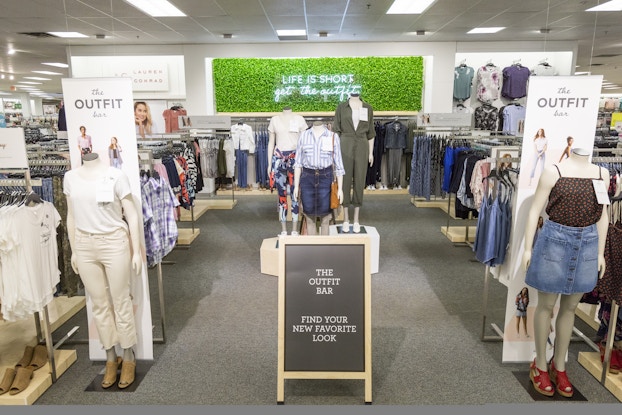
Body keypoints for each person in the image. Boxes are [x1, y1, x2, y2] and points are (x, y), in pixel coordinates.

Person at [522, 147, 609, 398]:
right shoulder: (553, 171)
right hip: (555, 239)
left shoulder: (602, 174)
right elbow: (534, 211)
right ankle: (540, 365)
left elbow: (603, 216)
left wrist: (600, 252)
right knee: (546, 306)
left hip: (589, 242)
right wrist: (527, 249)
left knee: (570, 308)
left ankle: (559, 366)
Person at [63, 152, 142, 389]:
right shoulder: (70, 177)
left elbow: (131, 214)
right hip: (85, 243)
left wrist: (136, 250)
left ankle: (128, 356)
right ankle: (110, 356)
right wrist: (75, 250)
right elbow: (71, 216)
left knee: (121, 300)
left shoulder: (115, 176)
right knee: (98, 304)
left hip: (113, 241)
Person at [293, 121, 345, 235]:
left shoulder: (332, 136)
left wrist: (340, 189)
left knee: (326, 218)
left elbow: (339, 165)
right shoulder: (303, 135)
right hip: (307, 177)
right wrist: (296, 186)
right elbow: (298, 163)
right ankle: (313, 249)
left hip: (326, 177)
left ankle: (324, 250)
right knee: (309, 217)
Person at [333, 93, 375, 233]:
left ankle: (356, 219)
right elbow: (336, 132)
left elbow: (371, 133)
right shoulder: (341, 108)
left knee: (359, 180)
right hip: (345, 144)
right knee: (344, 180)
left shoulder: (368, 108)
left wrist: (370, 153)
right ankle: (346, 219)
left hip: (362, 145)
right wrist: (336, 153)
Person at [267, 107, 308, 235]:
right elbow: (271, 143)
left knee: (295, 195)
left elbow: (304, 143)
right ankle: (284, 230)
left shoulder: (299, 119)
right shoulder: (275, 120)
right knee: (281, 196)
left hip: (295, 160)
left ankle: (294, 230)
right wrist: (269, 164)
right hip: (278, 160)